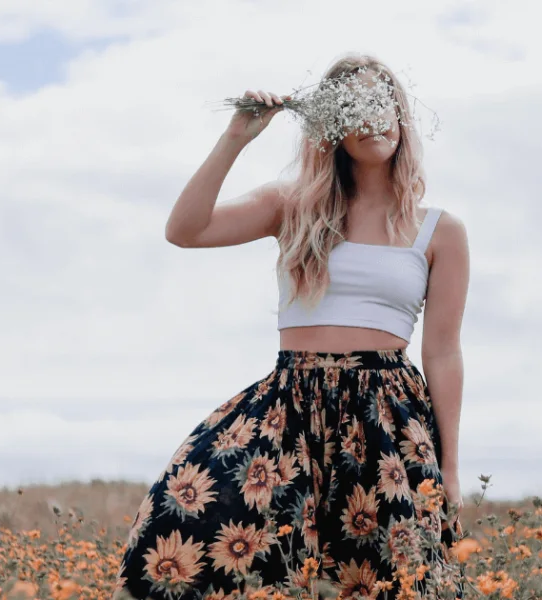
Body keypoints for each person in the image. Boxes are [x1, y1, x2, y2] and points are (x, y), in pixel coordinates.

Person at [114, 52, 470, 599]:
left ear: (401, 117)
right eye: (356, 108)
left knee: (388, 579)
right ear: (331, 127)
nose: (373, 120)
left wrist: (449, 465)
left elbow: (443, 352)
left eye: (384, 105)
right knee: (193, 528)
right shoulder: (291, 205)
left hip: (388, 418)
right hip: (290, 406)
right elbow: (184, 229)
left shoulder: (440, 232)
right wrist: (238, 136)